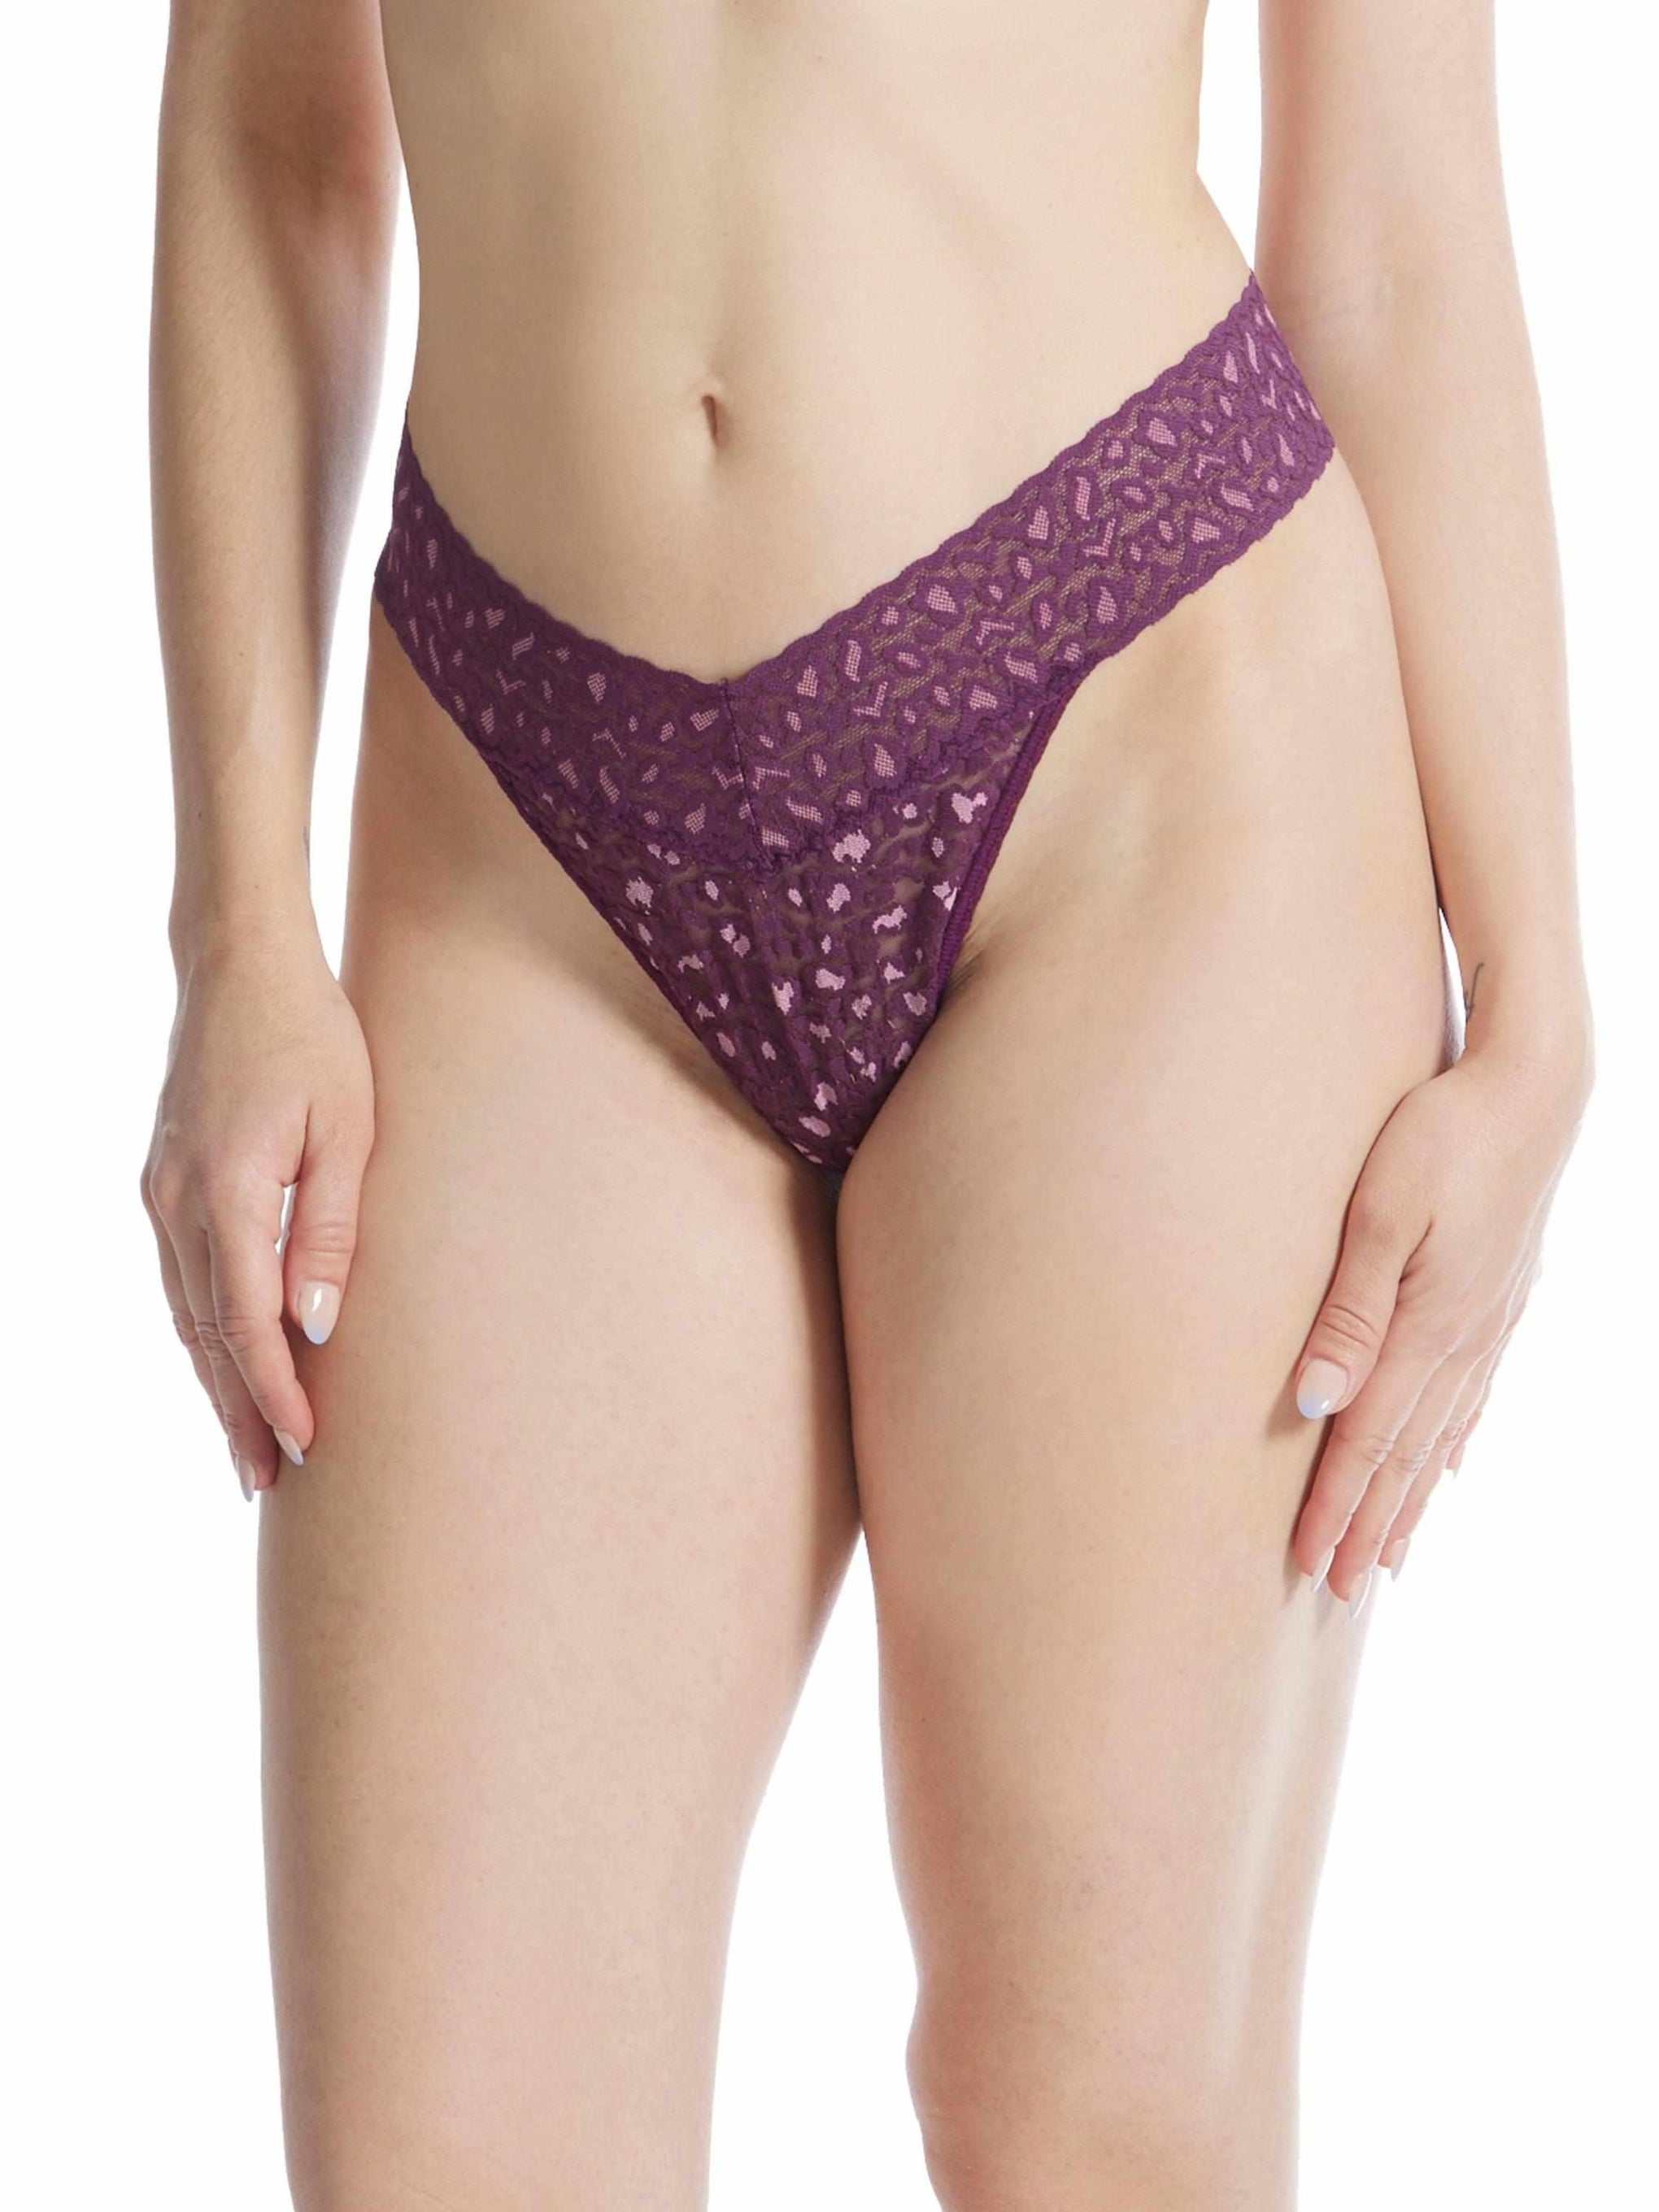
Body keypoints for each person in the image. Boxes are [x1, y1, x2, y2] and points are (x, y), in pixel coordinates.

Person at [140, 1, 1592, 2205]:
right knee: (446, 2153)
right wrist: (237, 924)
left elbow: (1392, 227)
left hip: (1148, 758)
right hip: (527, 845)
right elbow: (270, 144)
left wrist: (1542, 1000)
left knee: (1086, 2127)